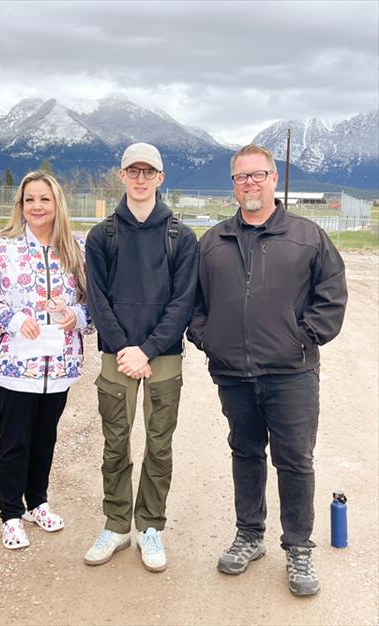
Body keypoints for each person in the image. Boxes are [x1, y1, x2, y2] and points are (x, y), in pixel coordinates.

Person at [187, 144, 348, 596]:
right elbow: (192, 303)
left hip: (292, 373)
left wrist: (305, 337)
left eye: (258, 175)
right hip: (233, 374)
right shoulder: (213, 242)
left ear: (274, 179)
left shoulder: (307, 236)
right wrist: (210, 339)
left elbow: (332, 292)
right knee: (245, 453)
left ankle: (298, 548)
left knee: (295, 460)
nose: (250, 183)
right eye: (241, 177)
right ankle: (250, 536)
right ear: (233, 184)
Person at [85, 142, 198, 572]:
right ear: (122, 176)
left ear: (160, 178)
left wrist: (148, 349)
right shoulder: (103, 236)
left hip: (163, 354)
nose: (140, 178)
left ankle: (150, 526)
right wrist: (125, 350)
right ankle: (116, 525)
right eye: (133, 171)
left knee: (159, 444)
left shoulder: (181, 238)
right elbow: (98, 299)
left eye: (148, 172)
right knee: (115, 443)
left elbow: (183, 301)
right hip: (117, 353)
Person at [0, 171, 93, 550]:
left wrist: (78, 317)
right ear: (20, 205)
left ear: (57, 204)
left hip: (57, 366)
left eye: (44, 199)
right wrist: (15, 319)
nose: (36, 206)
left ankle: (37, 502)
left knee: (45, 439)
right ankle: (10, 514)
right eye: (29, 200)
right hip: (15, 368)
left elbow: (93, 301)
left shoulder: (76, 249)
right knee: (16, 441)